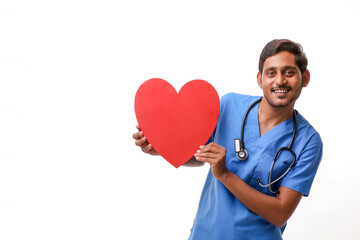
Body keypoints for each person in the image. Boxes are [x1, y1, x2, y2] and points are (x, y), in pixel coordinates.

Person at [132, 39, 323, 239]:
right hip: (205, 233)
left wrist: (224, 174)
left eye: (289, 72)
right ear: (260, 79)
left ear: (305, 78)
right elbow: (199, 156)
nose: (280, 81)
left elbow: (280, 213)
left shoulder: (308, 141)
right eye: (271, 72)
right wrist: (162, 148)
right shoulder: (229, 105)